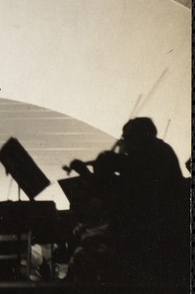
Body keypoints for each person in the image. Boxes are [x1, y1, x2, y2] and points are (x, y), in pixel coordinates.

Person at [66, 117, 186, 282]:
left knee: (87, 242)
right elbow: (120, 189)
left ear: (143, 136)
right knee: (86, 240)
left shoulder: (154, 155)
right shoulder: (155, 152)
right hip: (144, 227)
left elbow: (124, 192)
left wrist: (94, 172)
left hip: (152, 231)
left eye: (127, 138)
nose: (124, 144)